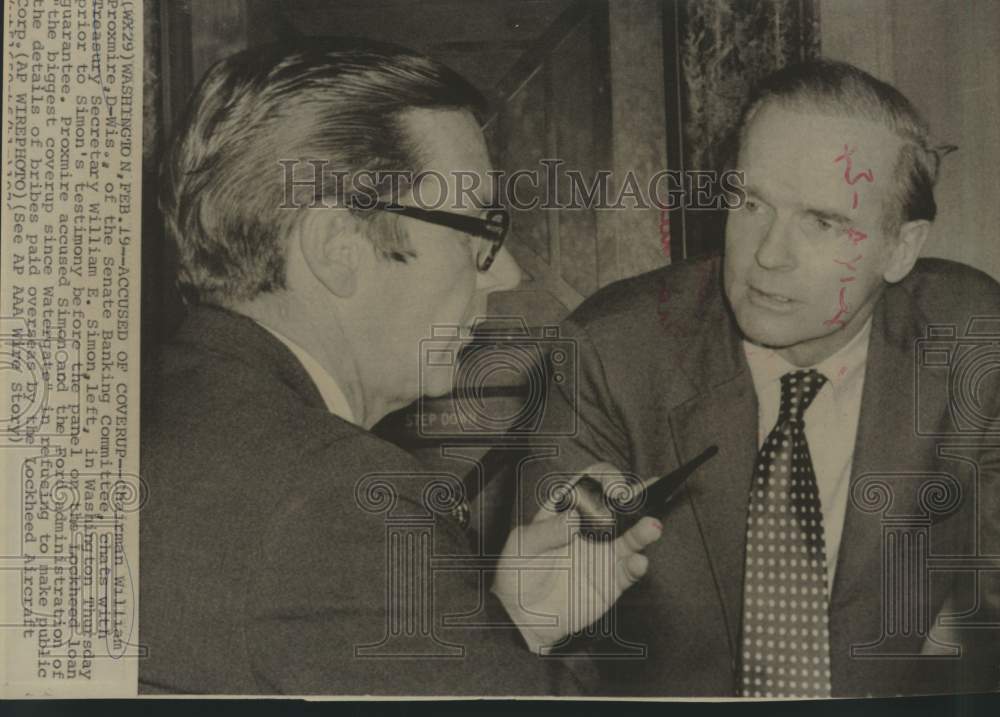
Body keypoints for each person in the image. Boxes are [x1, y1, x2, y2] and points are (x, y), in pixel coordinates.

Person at [139, 38, 661, 695]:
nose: (506, 272)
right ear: (338, 249)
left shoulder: (146, 417)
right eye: (476, 231)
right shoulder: (341, 497)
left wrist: (506, 626)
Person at [519, 59, 1000, 697]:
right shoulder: (611, 353)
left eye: (822, 222)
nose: (768, 255)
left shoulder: (970, 338)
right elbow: (542, 632)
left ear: (900, 248)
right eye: (749, 202)